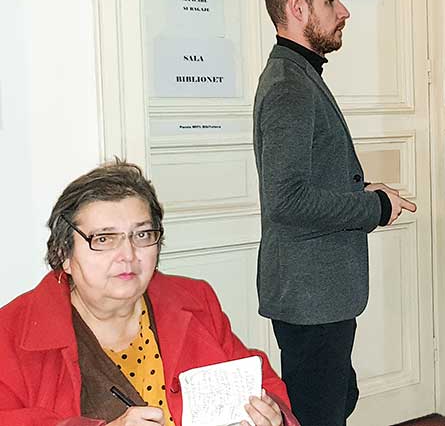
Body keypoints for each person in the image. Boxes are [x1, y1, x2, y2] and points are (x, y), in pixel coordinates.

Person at [0, 161, 297, 426]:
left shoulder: (194, 300)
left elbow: (259, 383)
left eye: (142, 235)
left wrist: (273, 417)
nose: (128, 254)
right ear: (64, 253)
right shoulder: (11, 333)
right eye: (104, 239)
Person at [253, 0, 417, 425]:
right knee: (321, 415)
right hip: (310, 297)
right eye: (331, 0)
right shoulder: (289, 85)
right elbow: (286, 200)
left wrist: (362, 189)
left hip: (317, 294)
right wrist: (373, 207)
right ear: (297, 8)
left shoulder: (298, 74)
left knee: (338, 401)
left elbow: (304, 180)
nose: (343, 11)